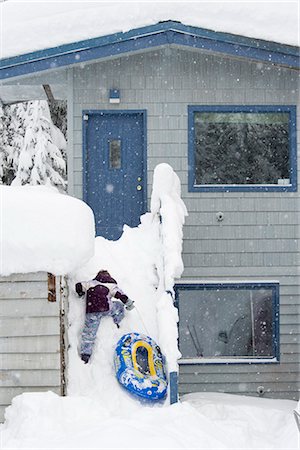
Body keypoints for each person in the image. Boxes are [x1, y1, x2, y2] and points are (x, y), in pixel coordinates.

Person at [75, 270, 135, 363]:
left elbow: (78, 286)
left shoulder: (90, 284)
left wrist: (80, 293)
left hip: (92, 310)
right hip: (106, 308)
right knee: (119, 306)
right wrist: (128, 303)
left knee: (89, 332)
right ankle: (117, 320)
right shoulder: (111, 286)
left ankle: (85, 354)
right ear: (109, 277)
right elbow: (121, 295)